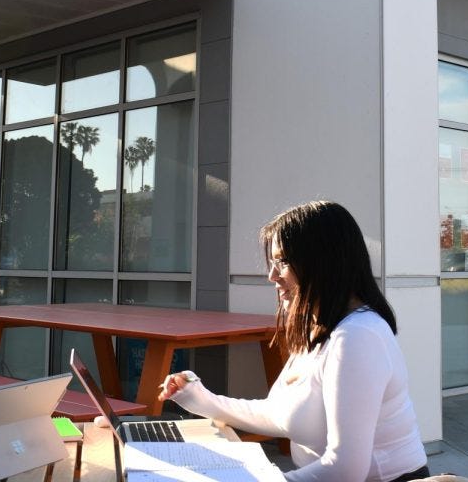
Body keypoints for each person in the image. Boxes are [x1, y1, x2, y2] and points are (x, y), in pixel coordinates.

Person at [158, 201, 429, 482]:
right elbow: (278, 414)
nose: (272, 276)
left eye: (283, 262)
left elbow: (345, 470)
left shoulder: (357, 337)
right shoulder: (320, 328)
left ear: (324, 261)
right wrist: (199, 398)